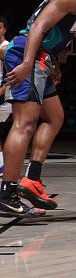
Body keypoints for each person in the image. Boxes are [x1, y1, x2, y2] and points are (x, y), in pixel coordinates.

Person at [0, 0, 76, 218]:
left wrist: (53, 63)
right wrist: (29, 63)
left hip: (41, 56)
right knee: (25, 122)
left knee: (55, 117)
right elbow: (38, 28)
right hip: (27, 53)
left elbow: (53, 35)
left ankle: (32, 178)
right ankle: (6, 193)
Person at [0, 16, 12, 178]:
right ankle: (2, 167)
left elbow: (12, 73)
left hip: (3, 96)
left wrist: (2, 89)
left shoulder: (6, 47)